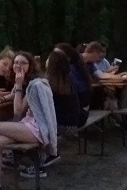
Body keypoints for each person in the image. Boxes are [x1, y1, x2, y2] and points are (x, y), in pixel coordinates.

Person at [0, 53, 57, 190]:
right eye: (16, 62)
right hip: (28, 125)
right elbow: (14, 95)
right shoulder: (27, 82)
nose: (18, 65)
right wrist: (4, 97)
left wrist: (18, 85)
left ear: (30, 66)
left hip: (37, 128)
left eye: (23, 63)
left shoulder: (35, 84)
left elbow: (18, 112)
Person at [18, 49, 83, 180]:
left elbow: (23, 108)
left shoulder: (47, 83)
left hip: (63, 125)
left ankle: (40, 161)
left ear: (52, 63)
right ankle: (46, 155)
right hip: (74, 123)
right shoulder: (66, 78)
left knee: (37, 127)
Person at [82, 40, 127, 111]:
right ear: (94, 52)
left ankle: (123, 113)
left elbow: (101, 75)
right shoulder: (78, 61)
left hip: (91, 91)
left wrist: (118, 77)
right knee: (107, 97)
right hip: (82, 94)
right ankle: (121, 116)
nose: (99, 59)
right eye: (99, 55)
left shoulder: (90, 64)